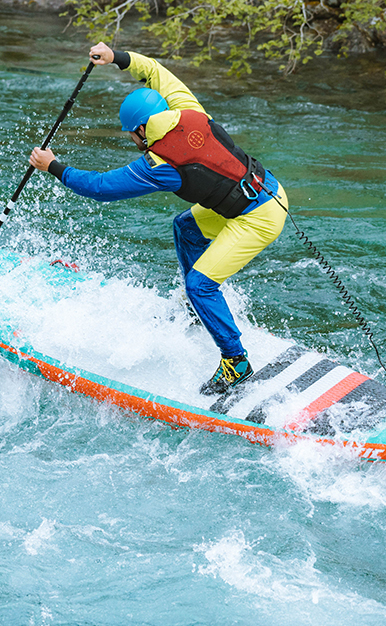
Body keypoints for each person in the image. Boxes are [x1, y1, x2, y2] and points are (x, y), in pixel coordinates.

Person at [28, 42, 289, 394]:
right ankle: (199, 312)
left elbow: (101, 188)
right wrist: (116, 57)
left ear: (140, 129)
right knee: (185, 226)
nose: (132, 141)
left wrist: (53, 167)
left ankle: (236, 362)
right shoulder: (188, 109)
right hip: (268, 191)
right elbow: (154, 71)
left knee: (200, 284)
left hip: (257, 218)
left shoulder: (161, 165)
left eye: (130, 135)